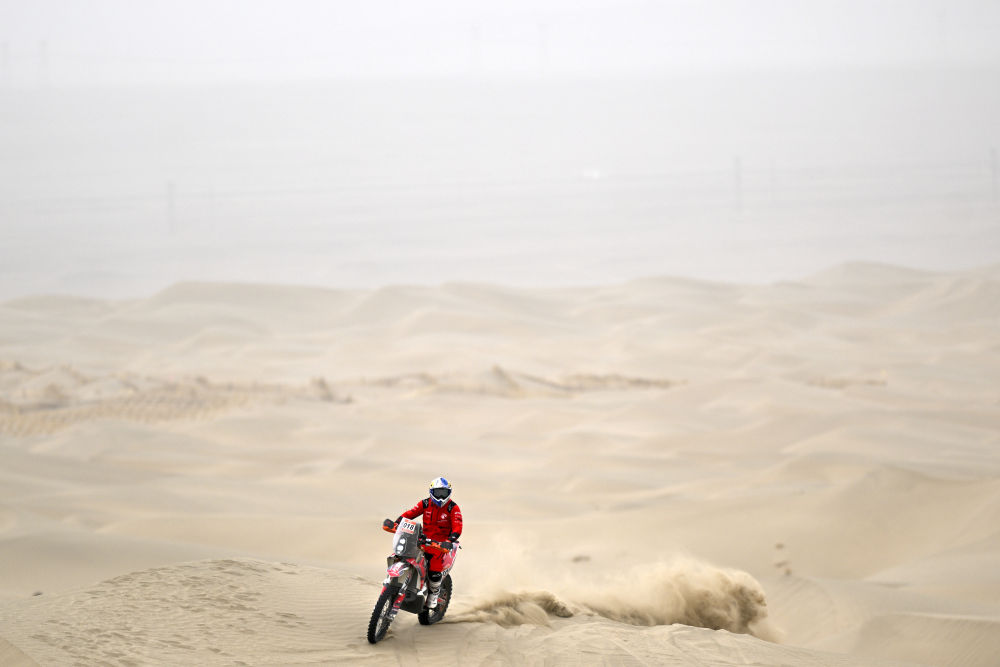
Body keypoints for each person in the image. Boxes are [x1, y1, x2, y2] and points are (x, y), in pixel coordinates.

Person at [395, 477, 462, 608]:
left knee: (434, 569)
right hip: (423, 540)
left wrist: (450, 540)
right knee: (403, 553)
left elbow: (457, 526)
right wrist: (398, 521)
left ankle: (434, 594)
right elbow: (411, 513)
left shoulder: (453, 508)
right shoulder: (425, 503)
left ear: (449, 493)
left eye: (444, 492)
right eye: (438, 492)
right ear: (432, 492)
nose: (441, 496)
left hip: (440, 545)